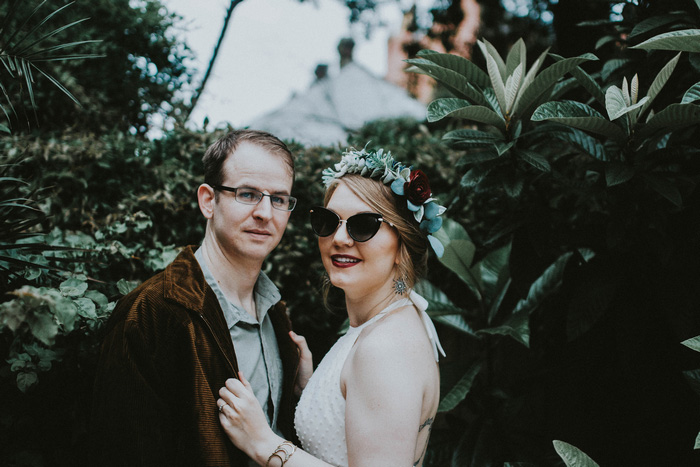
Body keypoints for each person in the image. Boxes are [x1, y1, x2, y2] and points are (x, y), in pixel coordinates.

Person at [216, 146, 446, 467]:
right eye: (328, 220)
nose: (339, 238)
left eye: (363, 225)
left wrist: (263, 442)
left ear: (401, 243)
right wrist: (317, 390)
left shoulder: (384, 348)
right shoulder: (390, 320)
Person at [92, 129, 310, 466]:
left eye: (279, 199)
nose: (266, 213)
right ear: (208, 200)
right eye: (248, 194)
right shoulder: (152, 313)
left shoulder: (275, 313)